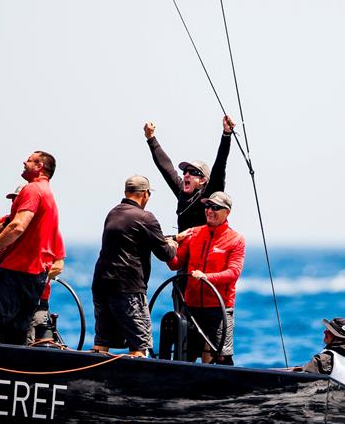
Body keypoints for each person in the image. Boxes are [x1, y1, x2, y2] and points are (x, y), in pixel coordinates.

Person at [0, 151, 62, 345]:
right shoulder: (49, 195)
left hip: (18, 272)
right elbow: (18, 241)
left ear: (39, 167)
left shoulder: (33, 189)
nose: (24, 162)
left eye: (29, 160)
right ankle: (14, 372)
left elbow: (17, 227)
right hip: (35, 276)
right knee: (16, 332)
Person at [91, 175, 177, 357]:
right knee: (139, 345)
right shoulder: (146, 217)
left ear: (126, 192)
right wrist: (174, 244)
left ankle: (93, 382)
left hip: (101, 284)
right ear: (145, 194)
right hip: (127, 287)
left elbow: (132, 238)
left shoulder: (113, 212)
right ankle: (134, 384)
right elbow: (165, 254)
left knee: (102, 342)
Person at [167, 191, 244, 365]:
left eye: (215, 207)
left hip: (219, 309)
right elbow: (175, 264)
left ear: (227, 212)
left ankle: (225, 390)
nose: (209, 210)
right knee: (185, 356)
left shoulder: (236, 240)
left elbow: (233, 273)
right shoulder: (194, 233)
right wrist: (168, 249)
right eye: (207, 206)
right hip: (192, 307)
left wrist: (206, 277)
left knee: (222, 358)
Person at [143, 115, 236, 232]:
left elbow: (220, 166)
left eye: (193, 172)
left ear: (203, 180)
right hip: (184, 248)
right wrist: (151, 138)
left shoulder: (209, 195)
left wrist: (226, 134)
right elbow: (166, 168)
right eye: (185, 171)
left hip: (204, 248)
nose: (186, 174)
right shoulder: (182, 192)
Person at [294, 318, 345, 392]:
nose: (324, 332)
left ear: (338, 337)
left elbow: (303, 382)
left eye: (329, 331)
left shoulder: (324, 359)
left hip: (326, 401)